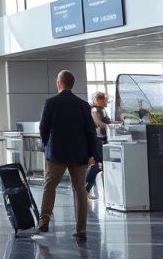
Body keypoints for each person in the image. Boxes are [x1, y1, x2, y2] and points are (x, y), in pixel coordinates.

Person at [38, 70, 98, 241]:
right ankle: (81, 230)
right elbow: (90, 132)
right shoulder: (83, 105)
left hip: (56, 153)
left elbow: (44, 128)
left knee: (50, 186)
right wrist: (93, 154)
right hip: (79, 154)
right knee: (79, 190)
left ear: (59, 83)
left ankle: (44, 222)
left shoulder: (50, 103)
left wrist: (47, 144)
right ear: (71, 84)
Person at [85, 91, 112, 199]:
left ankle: (106, 191)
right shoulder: (95, 110)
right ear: (99, 99)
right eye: (105, 99)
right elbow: (98, 123)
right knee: (97, 164)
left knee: (100, 165)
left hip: (102, 139)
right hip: (98, 140)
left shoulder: (102, 110)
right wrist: (112, 127)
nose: (107, 101)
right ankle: (86, 189)